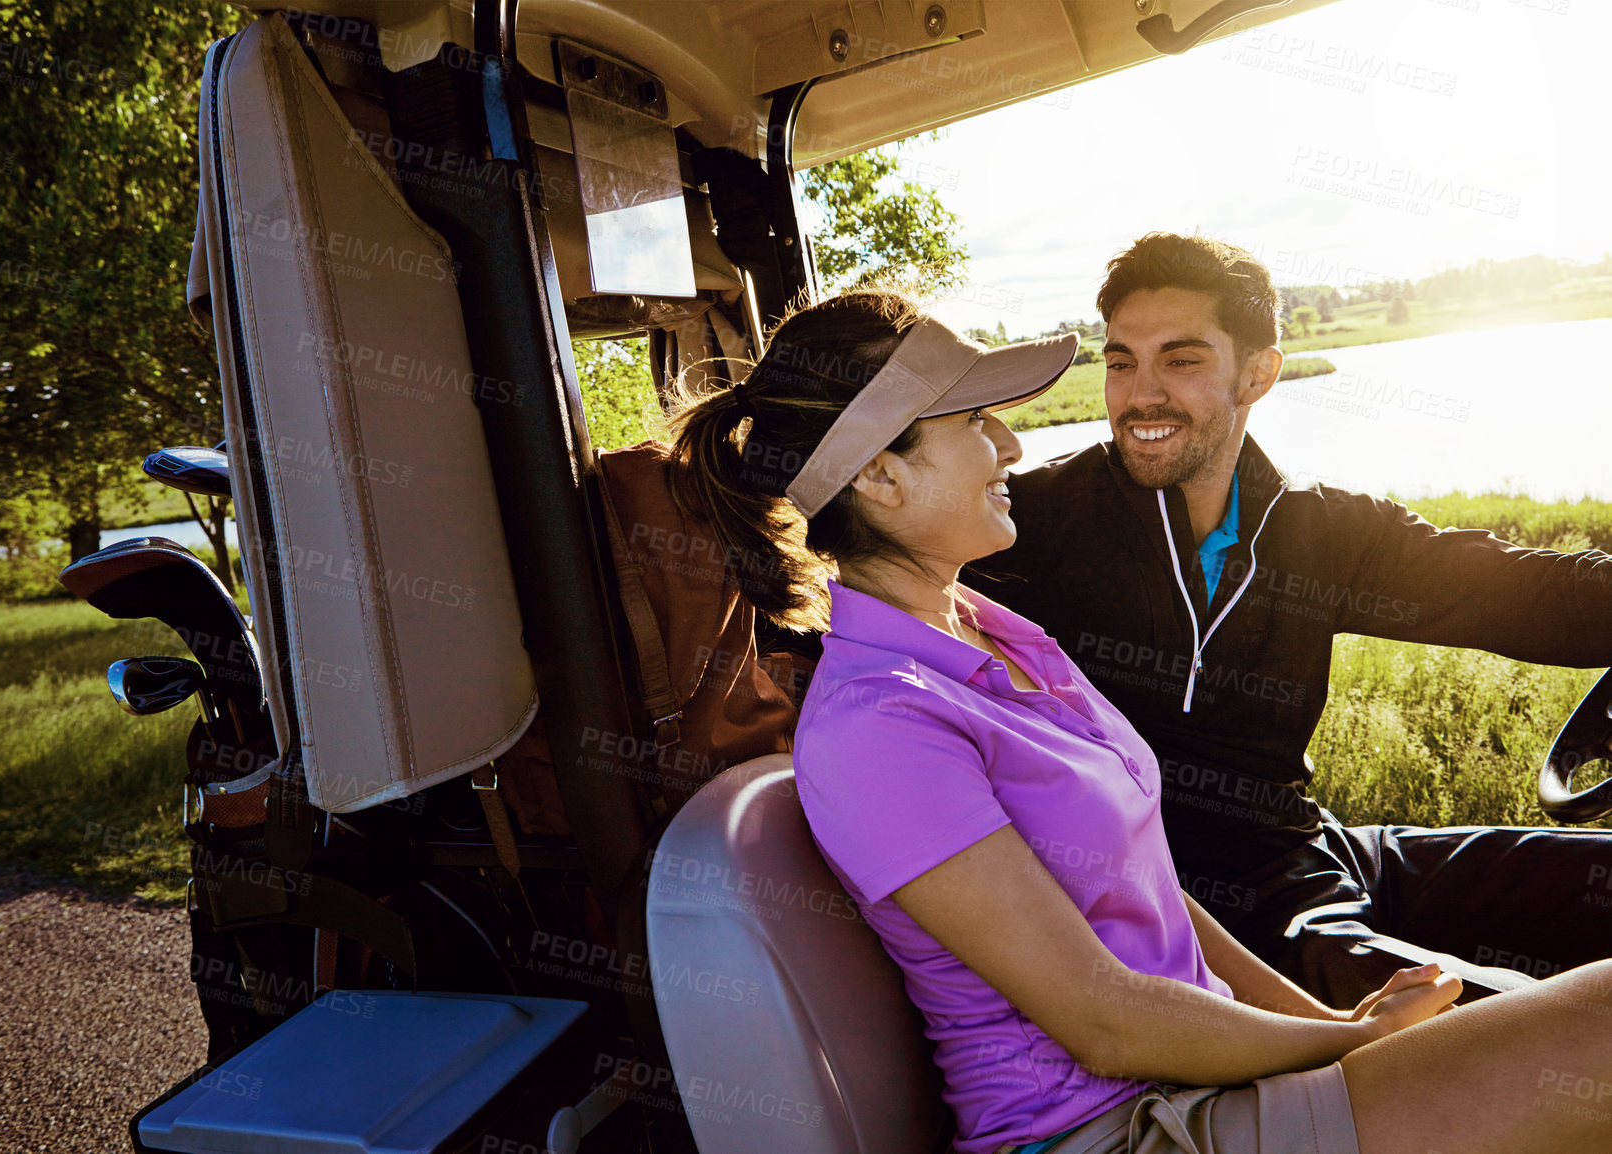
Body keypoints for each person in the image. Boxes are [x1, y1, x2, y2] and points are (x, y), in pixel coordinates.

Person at [665, 288, 1612, 1154]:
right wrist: (1344, 1042)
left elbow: (1158, 891)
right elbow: (1103, 1020)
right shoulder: (878, 721)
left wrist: (1335, 1041)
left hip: (1196, 1070)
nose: (1011, 445)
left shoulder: (997, 631)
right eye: (974, 421)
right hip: (1116, 1128)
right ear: (877, 477)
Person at [967, 233, 1612, 1008]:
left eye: (1180, 360)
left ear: (1258, 374)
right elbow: (864, 587)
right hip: (1200, 906)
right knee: (1508, 1022)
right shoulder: (1023, 524)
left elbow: (1530, 594)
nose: (1138, 395)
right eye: (1119, 362)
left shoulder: (1321, 527)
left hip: (1309, 844)